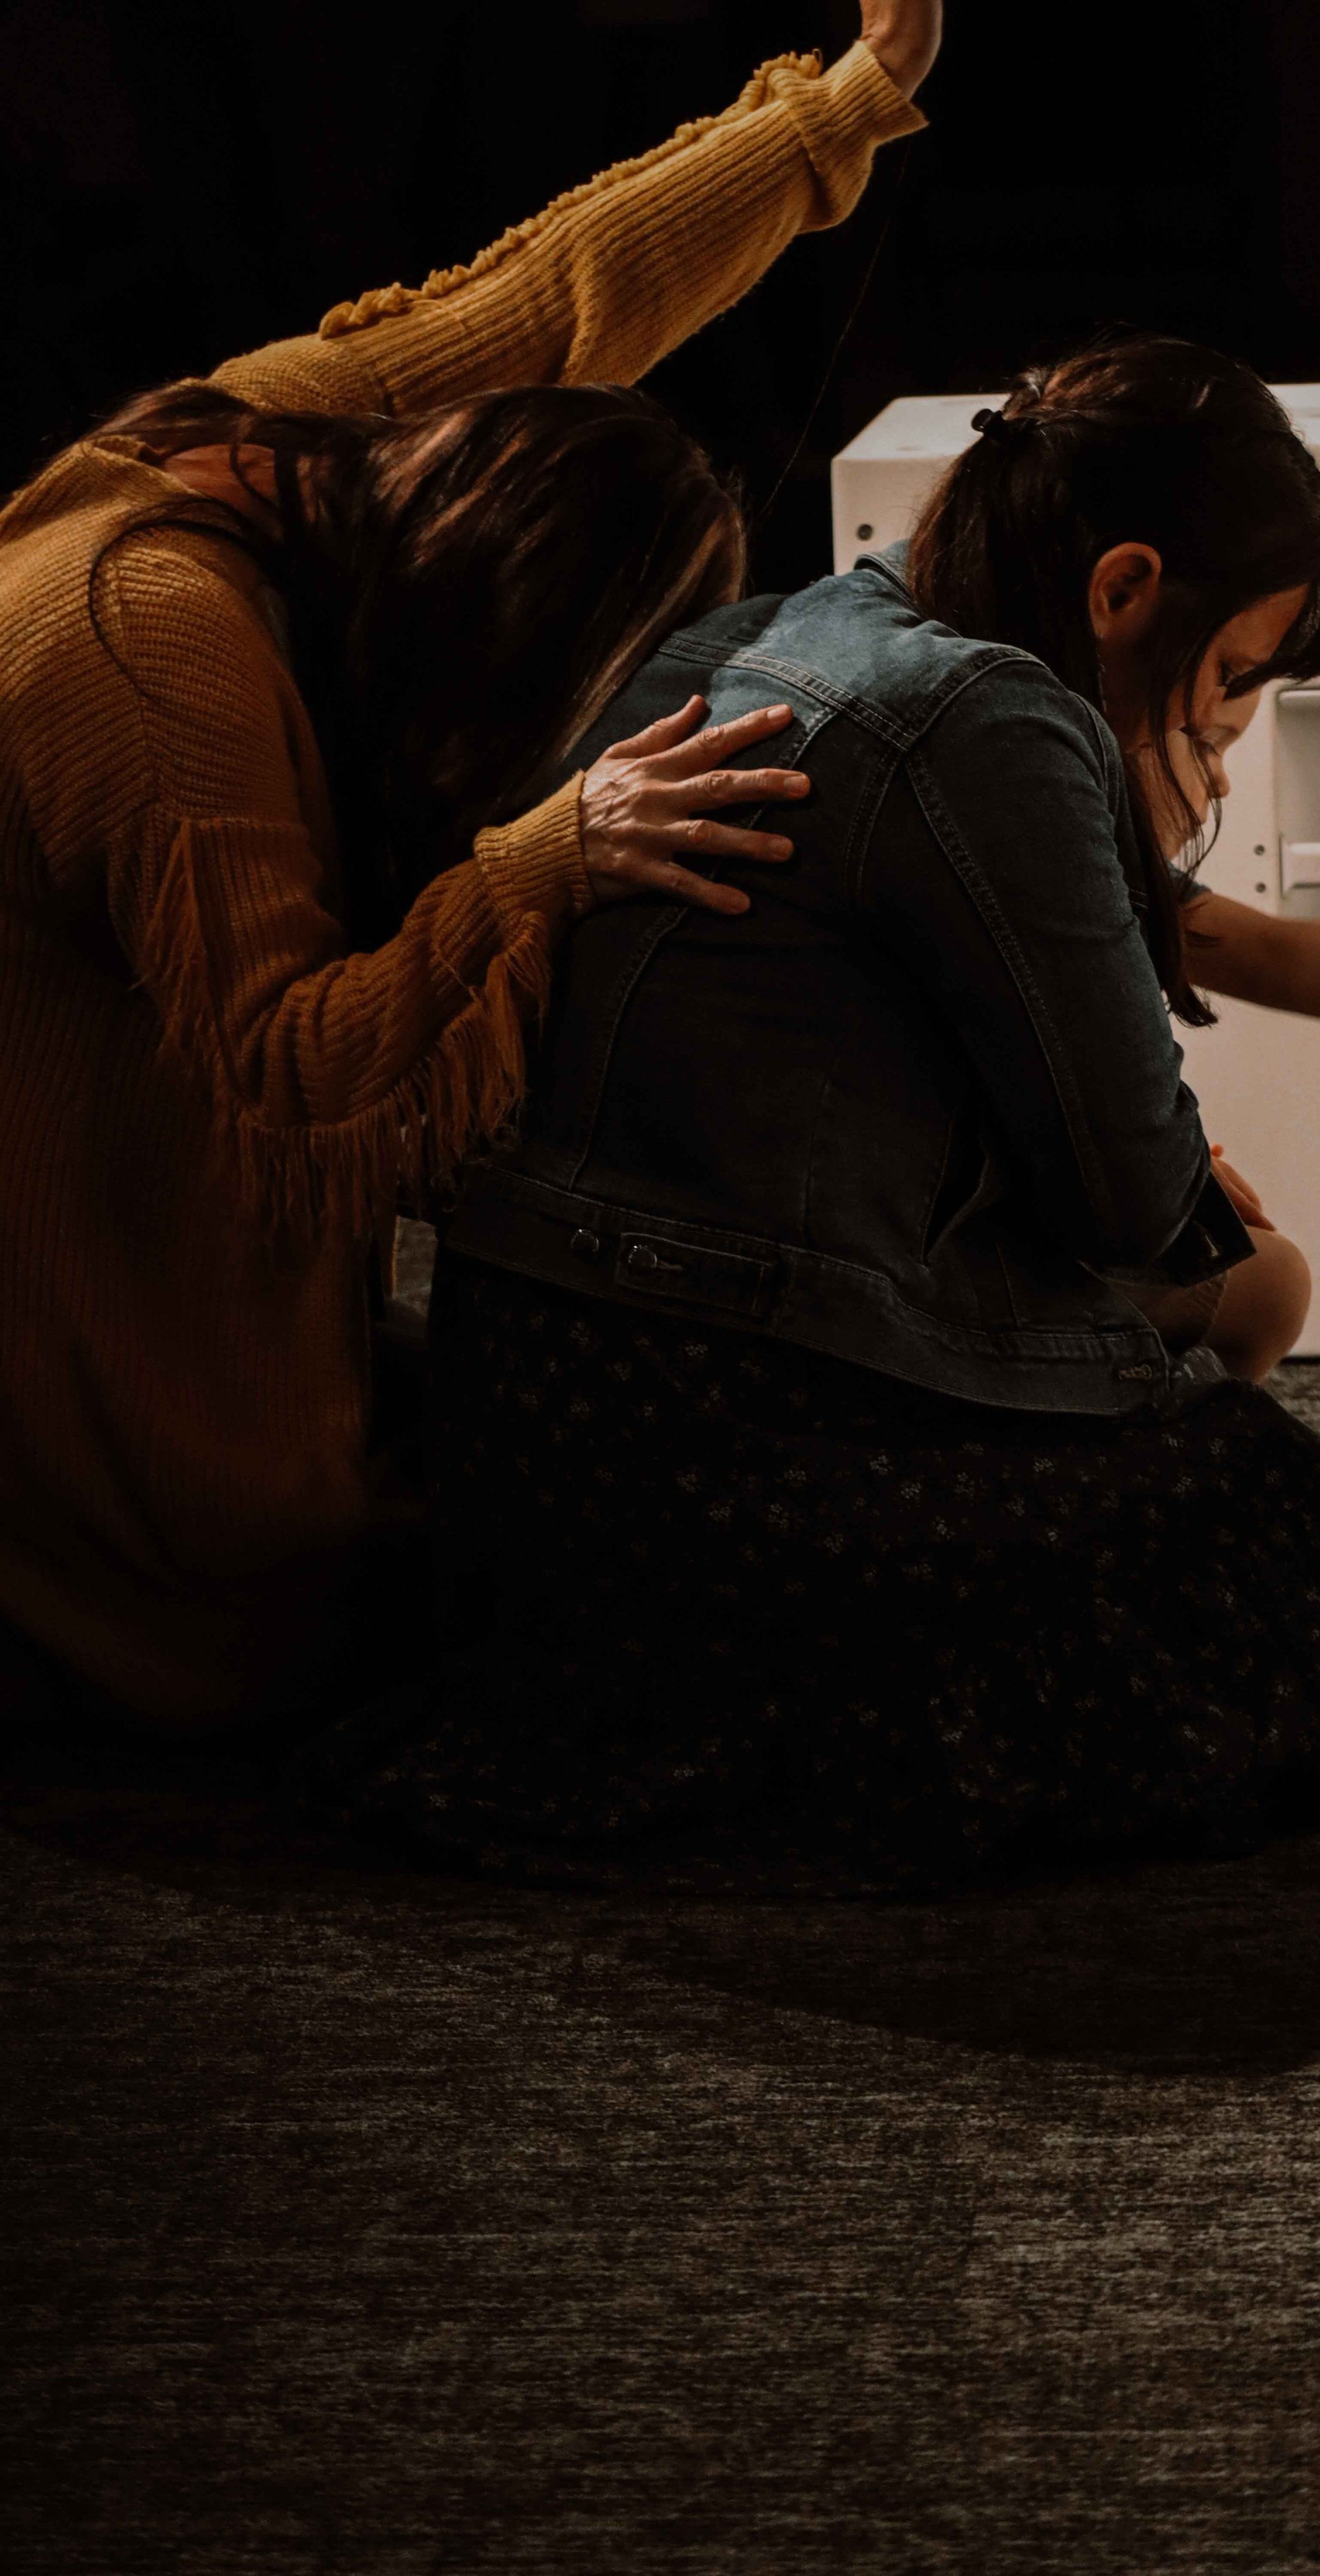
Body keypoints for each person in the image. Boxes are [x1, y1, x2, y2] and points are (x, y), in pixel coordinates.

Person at [307, 331, 1320, 1898]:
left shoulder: (763, 632)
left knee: (1247, 1334)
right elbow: (1130, 1188)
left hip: (524, 1388)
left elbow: (1130, 982)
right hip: (726, 1413)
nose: (1236, 722)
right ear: (1124, 588)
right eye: (1236, 676)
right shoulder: (992, 720)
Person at [0, 4, 940, 1730]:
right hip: (106, 1286)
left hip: (181, 1228)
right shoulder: (152, 642)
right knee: (409, 1620)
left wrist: (846, 106)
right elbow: (285, 1067)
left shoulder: (310, 454)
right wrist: (538, 857)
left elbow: (554, 299)